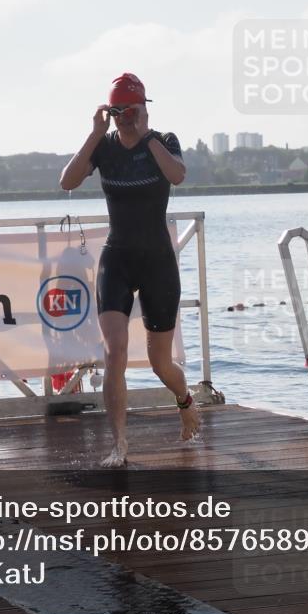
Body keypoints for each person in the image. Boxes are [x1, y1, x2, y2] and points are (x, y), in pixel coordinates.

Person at [60, 73, 199, 467]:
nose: (124, 119)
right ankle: (119, 445)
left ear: (144, 109)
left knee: (160, 363)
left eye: (131, 111)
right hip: (116, 260)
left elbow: (178, 176)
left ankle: (184, 400)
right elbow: (67, 181)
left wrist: (147, 134)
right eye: (117, 111)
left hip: (157, 262)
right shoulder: (103, 148)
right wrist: (94, 134)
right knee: (114, 352)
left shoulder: (164, 141)